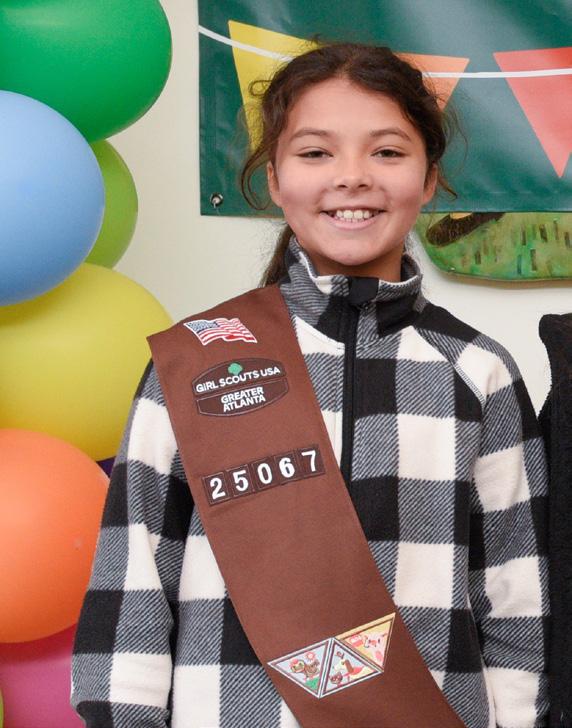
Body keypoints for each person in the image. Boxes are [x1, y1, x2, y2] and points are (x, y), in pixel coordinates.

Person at [71, 43, 549, 728]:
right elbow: (135, 580)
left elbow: (517, 595)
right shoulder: (194, 363)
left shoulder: (478, 370)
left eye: (387, 152)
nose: (352, 177)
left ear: (430, 178)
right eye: (316, 152)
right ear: (274, 177)